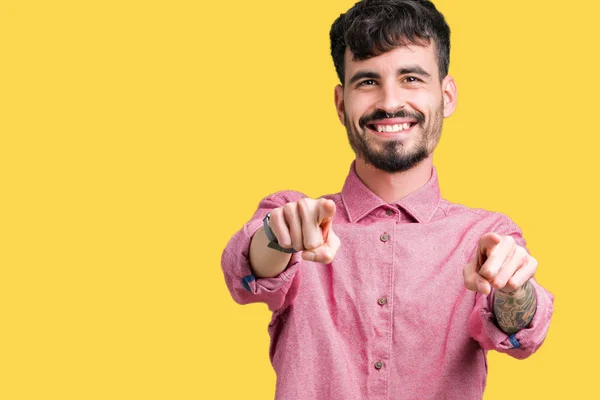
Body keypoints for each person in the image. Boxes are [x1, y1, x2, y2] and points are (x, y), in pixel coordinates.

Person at [221, 0, 554, 398]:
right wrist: (280, 236)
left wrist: (514, 288)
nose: (390, 102)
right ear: (341, 104)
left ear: (446, 96)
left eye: (411, 78)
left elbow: (521, 332)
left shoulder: (486, 236)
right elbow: (246, 271)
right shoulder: (299, 219)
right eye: (367, 82)